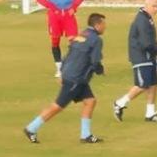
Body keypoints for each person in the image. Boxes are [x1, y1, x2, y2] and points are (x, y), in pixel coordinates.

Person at [23, 13, 107, 144]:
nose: (105, 27)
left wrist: (62, 71)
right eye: (103, 24)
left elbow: (69, 54)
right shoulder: (96, 40)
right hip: (76, 78)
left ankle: (86, 135)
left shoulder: (81, 34)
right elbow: (95, 61)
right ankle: (31, 128)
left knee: (90, 101)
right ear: (97, 25)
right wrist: (100, 70)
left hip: (72, 75)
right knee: (58, 106)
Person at [113, 0, 157, 123]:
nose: (156, 9)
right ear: (146, 5)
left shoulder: (147, 18)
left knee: (153, 84)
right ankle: (120, 103)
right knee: (143, 85)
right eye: (154, 6)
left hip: (148, 57)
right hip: (141, 57)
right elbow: (146, 43)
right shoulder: (142, 21)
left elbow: (150, 40)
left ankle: (150, 113)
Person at [34, 0, 85, 78]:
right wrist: (50, 6)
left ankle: (71, 66)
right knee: (55, 41)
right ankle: (59, 67)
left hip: (68, 13)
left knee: (74, 41)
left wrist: (74, 7)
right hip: (54, 15)